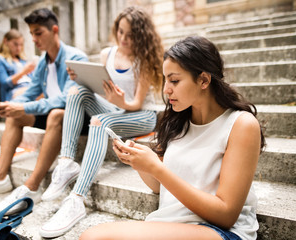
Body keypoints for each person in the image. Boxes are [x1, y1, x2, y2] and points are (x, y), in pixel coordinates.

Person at [79, 36, 266, 240]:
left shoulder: (241, 124)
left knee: (94, 237)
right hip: (172, 224)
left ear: (203, 80)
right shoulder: (178, 123)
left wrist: (156, 167)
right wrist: (139, 162)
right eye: (165, 80)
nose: (166, 89)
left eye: (174, 80)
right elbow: (160, 186)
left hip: (221, 232)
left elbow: (226, 214)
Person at [38, 6, 164, 238]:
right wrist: (83, 79)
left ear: (141, 35)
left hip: (141, 115)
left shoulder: (143, 58)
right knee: (76, 91)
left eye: (130, 35)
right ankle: (66, 162)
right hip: (114, 108)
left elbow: (136, 102)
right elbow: (102, 86)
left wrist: (119, 100)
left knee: (99, 121)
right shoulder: (107, 54)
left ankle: (77, 198)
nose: (124, 39)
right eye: (121, 32)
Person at [0, 8, 88, 216]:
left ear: (54, 30)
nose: (34, 39)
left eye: (38, 33)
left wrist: (24, 106)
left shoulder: (76, 57)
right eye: (32, 34)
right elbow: (31, 92)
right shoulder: (43, 61)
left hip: (77, 117)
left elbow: (65, 99)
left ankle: (32, 187)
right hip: (52, 114)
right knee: (15, 114)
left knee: (55, 113)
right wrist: (9, 105)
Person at [0, 29, 37, 101]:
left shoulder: (23, 60)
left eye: (21, 45)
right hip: (15, 91)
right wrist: (23, 72)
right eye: (15, 44)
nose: (19, 48)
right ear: (5, 41)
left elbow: (34, 80)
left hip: (30, 88)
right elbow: (5, 84)